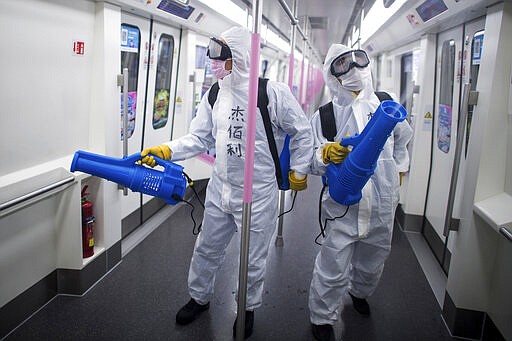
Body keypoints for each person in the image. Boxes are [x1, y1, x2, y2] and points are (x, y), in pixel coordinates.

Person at [141, 26, 313, 339]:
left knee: (252, 257)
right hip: (221, 188)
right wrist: (168, 150)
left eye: (220, 56)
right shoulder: (215, 93)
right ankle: (199, 297)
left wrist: (300, 169)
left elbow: (301, 131)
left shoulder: (271, 92)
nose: (213, 63)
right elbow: (199, 136)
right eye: (212, 56)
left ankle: (246, 308)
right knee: (207, 246)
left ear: (240, 56)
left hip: (257, 192)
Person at [307, 44, 413, 341]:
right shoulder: (325, 116)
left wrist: (398, 169)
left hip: (382, 204)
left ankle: (360, 292)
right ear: (332, 75)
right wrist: (325, 154)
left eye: (358, 60)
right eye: (342, 65)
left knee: (374, 259)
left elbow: (404, 139)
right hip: (343, 206)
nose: (353, 69)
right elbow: (310, 158)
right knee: (333, 264)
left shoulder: (385, 103)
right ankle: (322, 317)